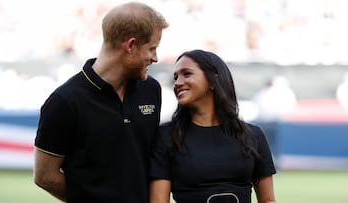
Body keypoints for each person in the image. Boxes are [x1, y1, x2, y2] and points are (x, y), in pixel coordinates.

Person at [33, 2, 168, 203]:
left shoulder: (151, 89)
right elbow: (45, 176)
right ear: (130, 45)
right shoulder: (64, 102)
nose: (155, 58)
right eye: (152, 48)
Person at [150, 49, 276, 203]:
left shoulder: (253, 135)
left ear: (212, 80)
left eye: (187, 74)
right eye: (176, 77)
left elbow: (268, 200)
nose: (178, 83)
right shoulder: (166, 136)